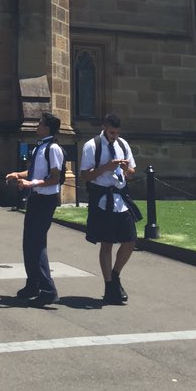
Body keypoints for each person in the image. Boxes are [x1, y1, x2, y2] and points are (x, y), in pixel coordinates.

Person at [5, 112, 64, 306]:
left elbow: (55, 178)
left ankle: (48, 289)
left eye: (40, 123)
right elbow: (33, 172)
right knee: (29, 242)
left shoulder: (53, 149)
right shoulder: (40, 147)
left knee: (37, 243)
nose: (37, 126)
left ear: (47, 128)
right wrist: (17, 174)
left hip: (46, 200)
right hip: (36, 198)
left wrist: (31, 184)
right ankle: (33, 284)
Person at [79, 112, 138, 305]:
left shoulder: (123, 145)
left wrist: (125, 169)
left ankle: (115, 275)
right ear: (104, 127)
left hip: (120, 199)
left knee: (129, 241)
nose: (114, 136)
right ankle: (109, 285)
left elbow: (131, 174)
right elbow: (85, 176)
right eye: (112, 133)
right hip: (103, 199)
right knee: (107, 244)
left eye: (117, 133)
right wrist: (106, 167)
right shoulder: (92, 146)